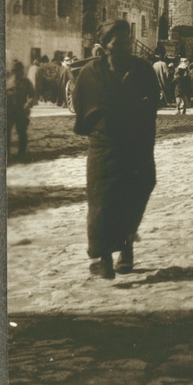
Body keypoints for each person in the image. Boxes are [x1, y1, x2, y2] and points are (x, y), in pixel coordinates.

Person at [72, 19, 159, 279]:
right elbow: (80, 105)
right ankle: (105, 259)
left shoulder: (143, 70)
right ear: (104, 45)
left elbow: (152, 104)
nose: (124, 46)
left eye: (127, 41)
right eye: (117, 42)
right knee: (103, 201)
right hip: (104, 146)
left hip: (137, 144)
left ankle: (127, 248)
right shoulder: (90, 72)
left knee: (136, 192)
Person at [6, 59, 34, 163]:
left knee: (22, 132)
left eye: (18, 70)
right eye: (14, 71)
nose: (16, 73)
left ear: (21, 70)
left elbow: (32, 95)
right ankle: (6, 153)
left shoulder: (26, 82)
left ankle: (21, 153)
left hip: (21, 111)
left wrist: (28, 104)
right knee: (6, 133)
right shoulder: (7, 82)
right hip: (9, 112)